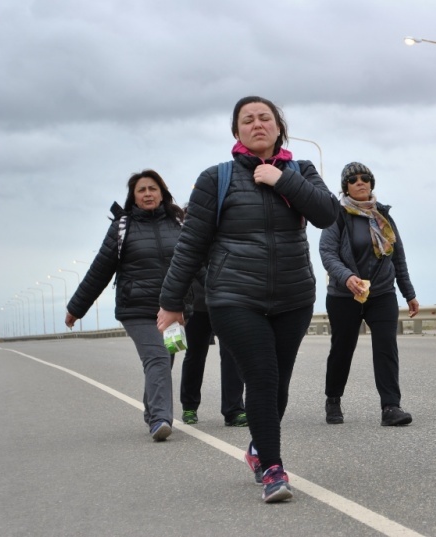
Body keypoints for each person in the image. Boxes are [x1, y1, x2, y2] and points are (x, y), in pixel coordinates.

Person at [157, 96, 339, 503]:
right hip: (233, 296)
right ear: (236, 131)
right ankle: (273, 469)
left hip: (293, 296)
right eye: (247, 120)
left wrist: (281, 179)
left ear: (278, 127)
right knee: (262, 376)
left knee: (280, 384)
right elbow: (190, 245)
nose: (257, 124)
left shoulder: (301, 171)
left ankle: (259, 448)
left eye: (265, 118)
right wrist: (171, 304)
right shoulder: (215, 178)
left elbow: (329, 214)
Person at [66, 170, 187, 442]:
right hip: (136, 309)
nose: (147, 194)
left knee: (164, 361)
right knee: (156, 357)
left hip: (172, 308)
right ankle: (160, 420)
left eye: (152, 188)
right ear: (133, 197)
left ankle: (152, 411)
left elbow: (195, 262)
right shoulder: (123, 227)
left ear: (162, 193)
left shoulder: (178, 222)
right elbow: (100, 269)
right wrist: (77, 307)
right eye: (141, 190)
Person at [319, 162, 419, 427]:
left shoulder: (382, 216)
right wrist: (347, 277)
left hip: (382, 293)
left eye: (365, 178)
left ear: (371, 183)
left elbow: (398, 257)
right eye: (353, 180)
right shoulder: (337, 215)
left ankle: (391, 407)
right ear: (346, 187)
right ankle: (333, 399)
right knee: (343, 348)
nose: (360, 182)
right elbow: (327, 253)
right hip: (345, 295)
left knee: (386, 346)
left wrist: (409, 293)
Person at [180, 274, 247, 427]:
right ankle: (189, 407)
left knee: (231, 353)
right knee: (195, 355)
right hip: (198, 303)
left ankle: (234, 410)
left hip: (227, 300)